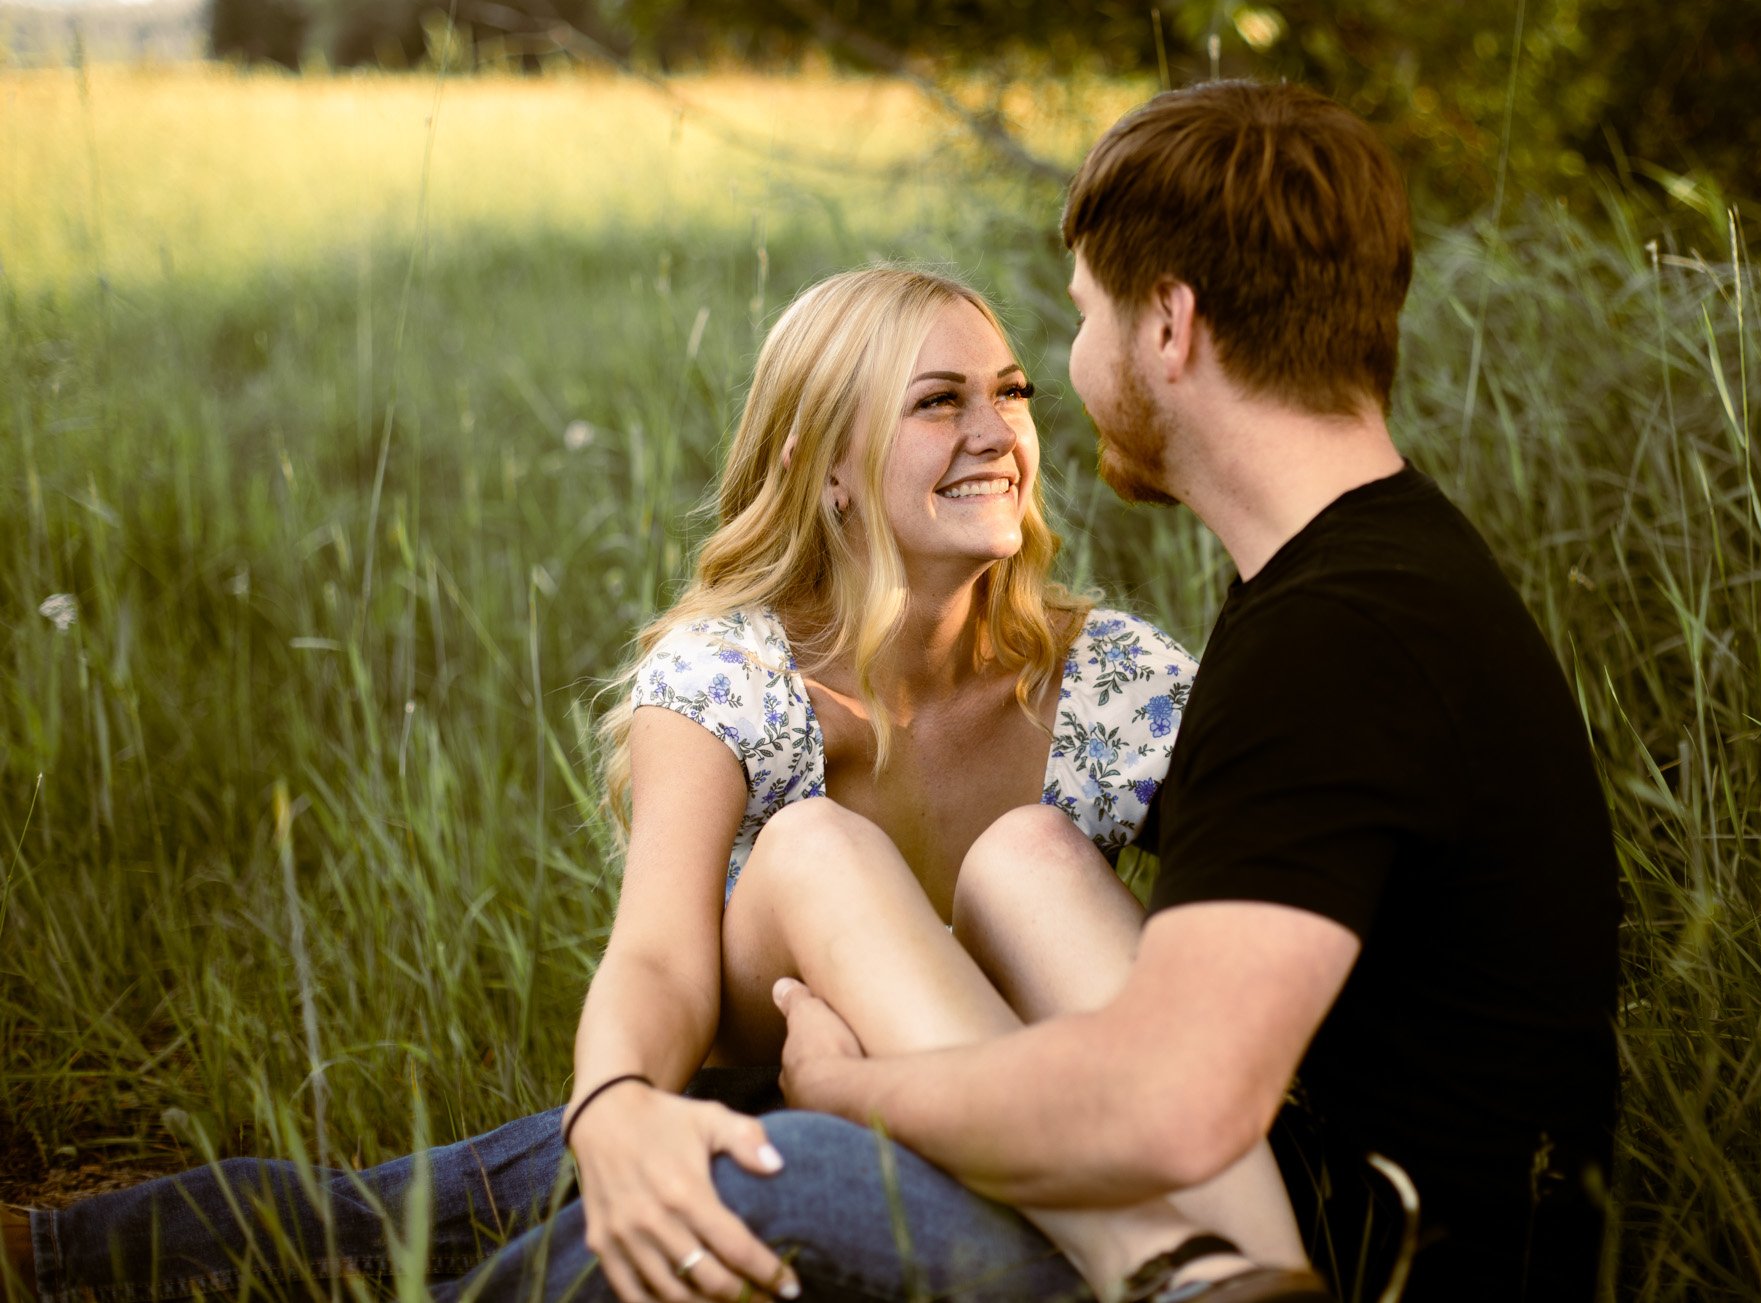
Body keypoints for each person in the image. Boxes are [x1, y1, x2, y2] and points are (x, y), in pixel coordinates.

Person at [1, 266, 1313, 1303]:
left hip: (1011, 1108)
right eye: (938, 400)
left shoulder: (1116, 682)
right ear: (834, 465)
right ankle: (49, 1255)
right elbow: (663, 962)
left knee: (1035, 855)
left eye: (1013, 390)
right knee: (442, 1188)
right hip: (742, 1074)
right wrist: (620, 1104)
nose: (997, 432)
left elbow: (1238, 927)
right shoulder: (738, 670)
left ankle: (1197, 1261)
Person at [769, 83, 1623, 1302]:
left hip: (1366, 1266)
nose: (1063, 372)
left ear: (1167, 325)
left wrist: (851, 1091)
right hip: (1320, 1211)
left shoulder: (1333, 639)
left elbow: (1170, 1107)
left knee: (758, 1171)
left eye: (1078, 318)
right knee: (1025, 859)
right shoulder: (1376, 576)